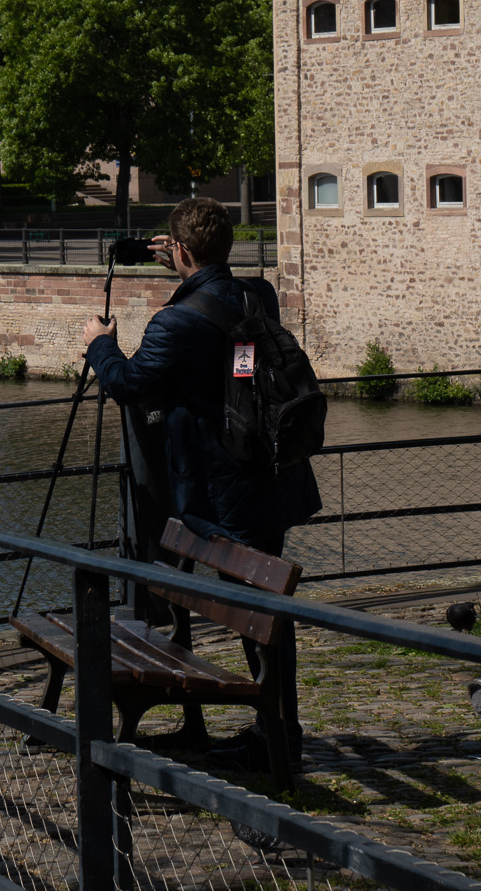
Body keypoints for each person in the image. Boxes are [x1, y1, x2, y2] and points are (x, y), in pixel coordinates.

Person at [83, 196, 321, 771]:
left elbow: (131, 382)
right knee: (263, 607)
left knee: (257, 612)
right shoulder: (255, 294)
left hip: (220, 490)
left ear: (180, 249)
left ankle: (275, 734)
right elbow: (219, 318)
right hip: (270, 471)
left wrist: (99, 342)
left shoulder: (177, 321)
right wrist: (190, 264)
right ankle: (274, 726)